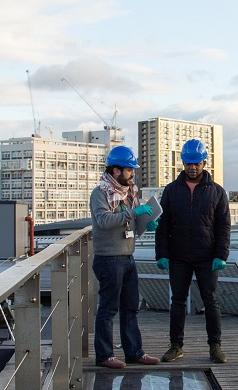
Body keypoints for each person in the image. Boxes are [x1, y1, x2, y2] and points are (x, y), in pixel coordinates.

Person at [155, 138, 231, 364]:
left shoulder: (217, 192)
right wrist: (162, 254)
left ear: (205, 162)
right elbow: (163, 224)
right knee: (177, 301)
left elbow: (223, 226)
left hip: (207, 257)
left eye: (197, 163)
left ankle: (215, 347)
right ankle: (176, 346)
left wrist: (221, 255)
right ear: (183, 163)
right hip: (178, 257)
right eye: (188, 163)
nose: (192, 167)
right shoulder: (171, 191)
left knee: (211, 301)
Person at [90, 145, 160, 369]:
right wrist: (133, 213)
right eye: (129, 170)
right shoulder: (100, 193)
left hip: (127, 257)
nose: (132, 174)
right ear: (116, 170)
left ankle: (134, 352)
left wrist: (147, 223)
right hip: (108, 258)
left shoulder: (130, 192)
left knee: (131, 307)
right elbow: (104, 221)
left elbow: (130, 222)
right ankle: (104, 355)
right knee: (108, 309)